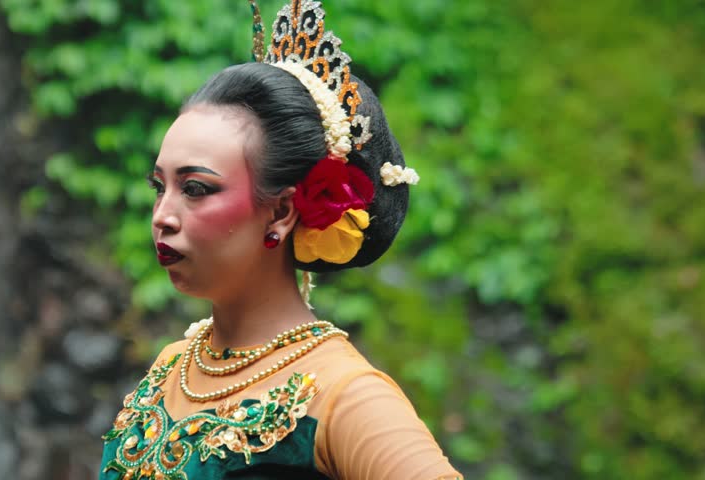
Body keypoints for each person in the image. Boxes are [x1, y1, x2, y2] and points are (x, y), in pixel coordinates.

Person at [98, 1, 463, 479]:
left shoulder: (343, 395)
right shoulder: (172, 367)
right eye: (158, 187)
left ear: (281, 212)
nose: (162, 216)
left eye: (195, 189)